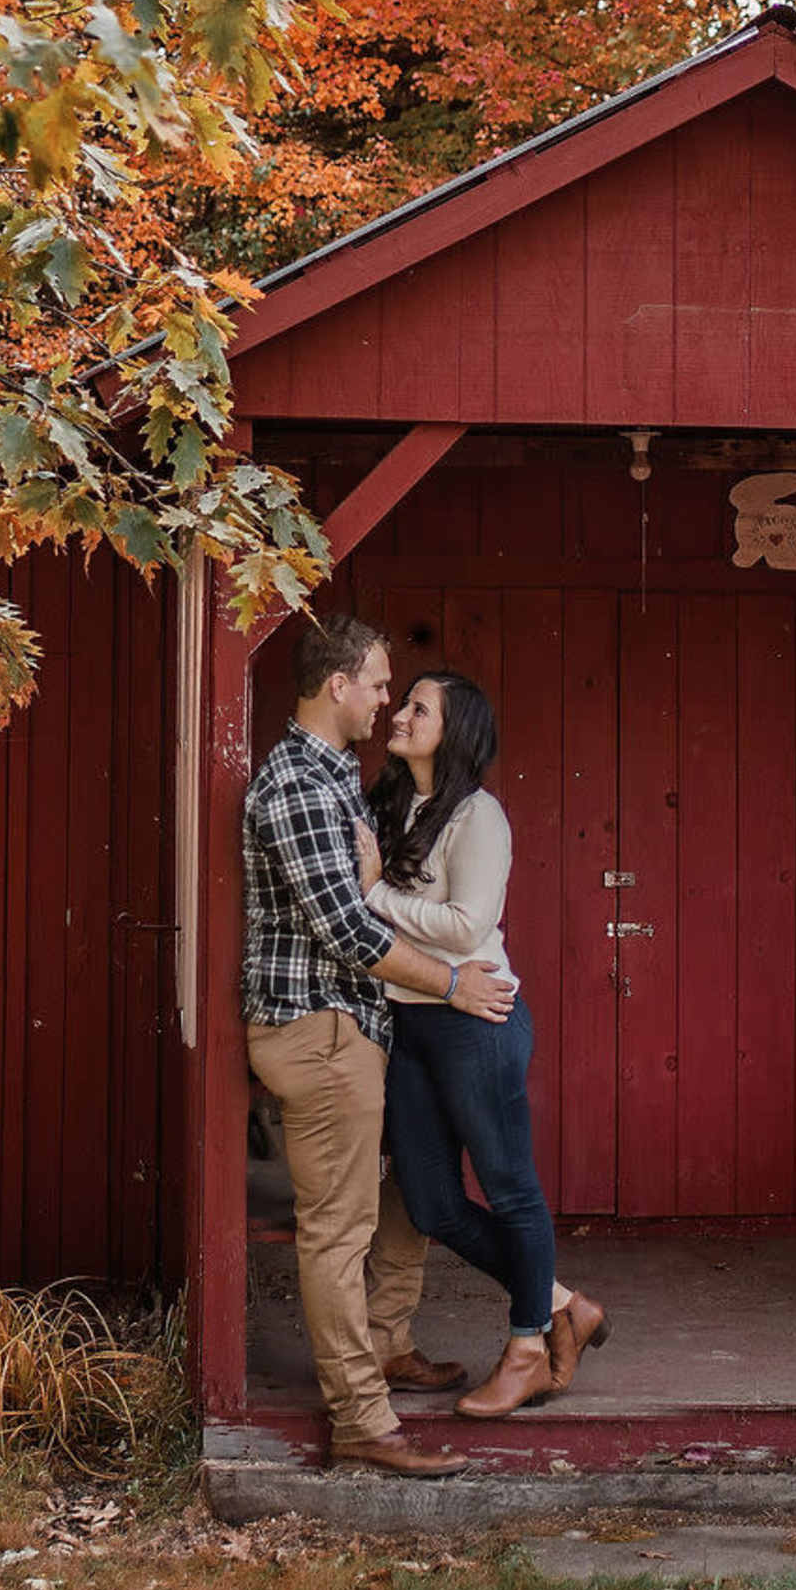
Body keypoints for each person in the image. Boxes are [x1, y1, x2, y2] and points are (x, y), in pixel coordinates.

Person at [243, 614, 518, 1477]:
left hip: (361, 1026)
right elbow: (348, 929)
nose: (385, 700)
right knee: (338, 1229)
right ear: (338, 685)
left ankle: (389, 1341)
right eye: (377, 683)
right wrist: (453, 982)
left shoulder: (340, 782)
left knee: (409, 1191)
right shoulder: (295, 785)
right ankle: (362, 1417)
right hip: (321, 1032)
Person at [360, 670, 611, 1415]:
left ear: (454, 729)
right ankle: (566, 1300)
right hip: (411, 1022)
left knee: (510, 1187)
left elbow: (468, 925)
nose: (399, 714)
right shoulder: (392, 805)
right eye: (401, 701)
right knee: (434, 1203)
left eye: (417, 707)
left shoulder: (480, 817)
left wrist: (379, 896)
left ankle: (529, 1345)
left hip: (478, 1021)